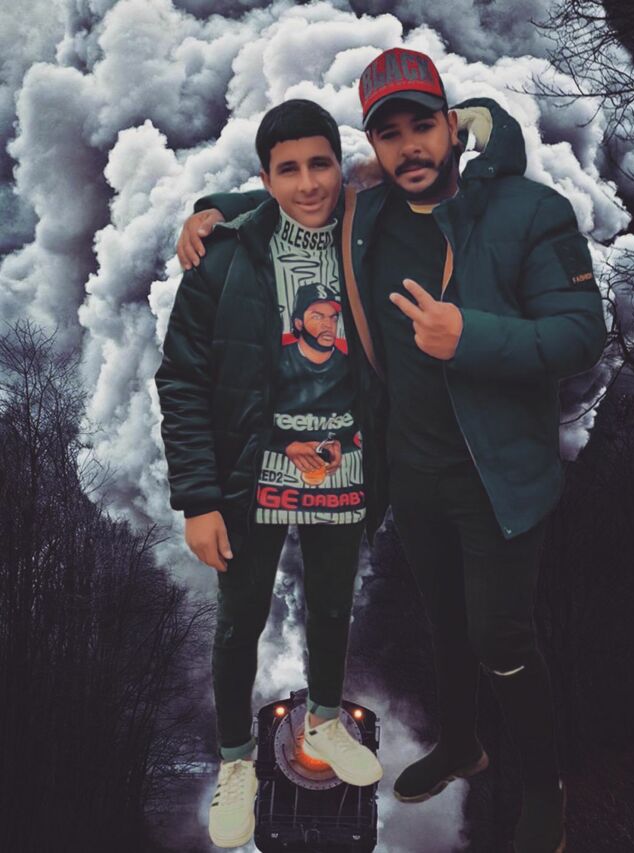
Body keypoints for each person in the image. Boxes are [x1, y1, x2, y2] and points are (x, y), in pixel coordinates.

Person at [177, 48, 607, 853]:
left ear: (452, 126)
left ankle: (543, 788)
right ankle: (460, 744)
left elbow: (584, 333)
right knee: (444, 622)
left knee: (501, 638)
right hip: (410, 474)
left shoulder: (528, 209)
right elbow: (296, 198)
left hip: (499, 476)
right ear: (373, 147)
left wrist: (469, 335)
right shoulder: (367, 216)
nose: (409, 146)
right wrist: (210, 211)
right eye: (389, 133)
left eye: (422, 126)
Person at [154, 99, 386, 850]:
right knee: (238, 622)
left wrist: (214, 202)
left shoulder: (369, 235)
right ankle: (235, 762)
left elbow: (430, 181)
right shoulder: (222, 258)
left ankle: (325, 718)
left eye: (321, 164)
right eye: (288, 169)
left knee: (331, 607)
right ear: (265, 178)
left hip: (346, 463)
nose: (308, 183)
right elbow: (181, 379)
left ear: (341, 167)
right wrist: (196, 499)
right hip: (251, 472)